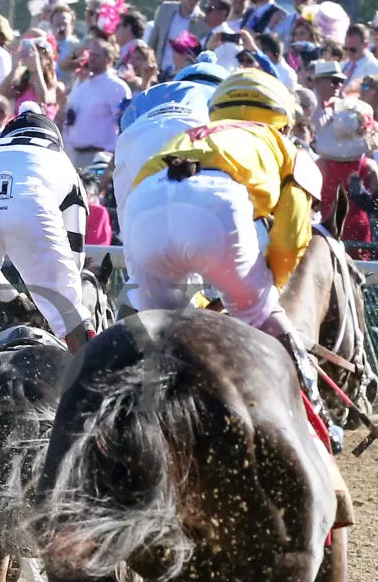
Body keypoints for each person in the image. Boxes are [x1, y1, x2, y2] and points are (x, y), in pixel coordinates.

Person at [123, 68, 341, 449]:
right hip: (216, 206)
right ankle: (316, 427)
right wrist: (263, 291)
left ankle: (130, 428)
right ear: (283, 120)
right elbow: (291, 237)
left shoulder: (189, 135)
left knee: (155, 331)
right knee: (263, 317)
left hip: (141, 210)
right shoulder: (285, 146)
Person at [0, 103, 94, 392]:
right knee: (69, 310)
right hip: (33, 208)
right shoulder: (61, 161)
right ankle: (93, 394)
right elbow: (75, 254)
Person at [113, 52, 228, 228]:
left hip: (138, 132)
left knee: (131, 225)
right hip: (195, 128)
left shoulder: (156, 91)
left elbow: (125, 124)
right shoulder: (224, 96)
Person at [314, 99, 378, 248]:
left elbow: (314, 205)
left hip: (327, 229)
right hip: (360, 233)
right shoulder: (369, 167)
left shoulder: (320, 165)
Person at [63, 37, 131, 168]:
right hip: (75, 156)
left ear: (109, 60)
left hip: (100, 157)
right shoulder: (83, 86)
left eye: (97, 55)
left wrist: (111, 153)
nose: (92, 58)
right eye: (91, 54)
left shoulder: (116, 87)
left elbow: (125, 124)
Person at [148, 0, 210, 77]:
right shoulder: (165, 9)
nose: (193, 1)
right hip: (159, 73)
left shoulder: (203, 22)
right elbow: (153, 41)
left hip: (184, 76)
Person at [342, 24, 378, 90]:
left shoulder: (375, 69)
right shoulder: (343, 64)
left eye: (353, 49)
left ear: (366, 44)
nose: (349, 52)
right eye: (345, 48)